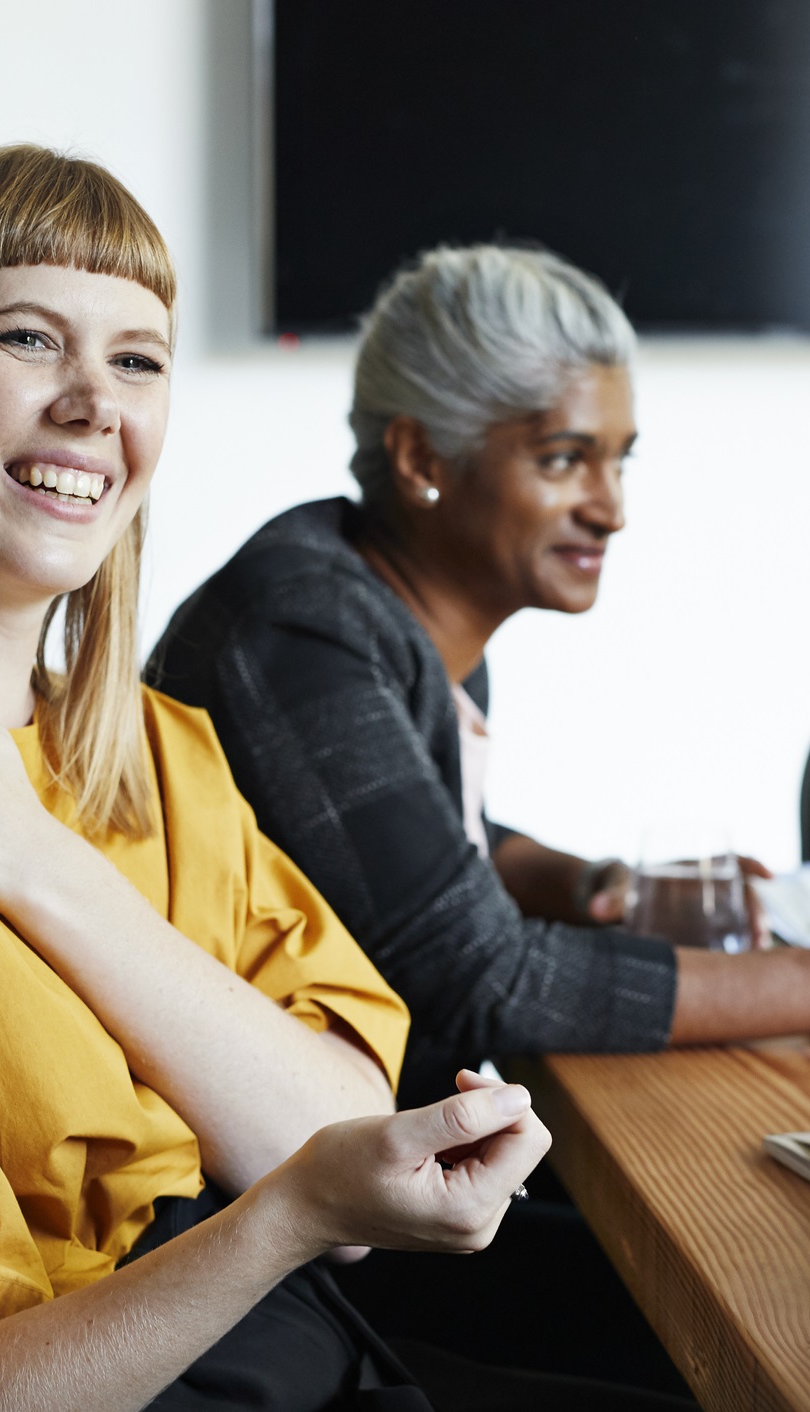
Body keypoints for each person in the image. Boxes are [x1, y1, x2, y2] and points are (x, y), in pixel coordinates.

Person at [0, 148, 708, 1412]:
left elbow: (330, 1123)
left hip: (323, 1357)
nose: (90, 404)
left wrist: (36, 864)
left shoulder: (159, 752)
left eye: (136, 358)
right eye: (25, 337)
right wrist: (285, 1212)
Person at [146, 243, 806, 1112]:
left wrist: (590, 884)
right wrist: (795, 978)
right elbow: (483, 979)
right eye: (564, 459)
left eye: (619, 460)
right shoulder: (301, 630)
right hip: (285, 1216)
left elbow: (436, 852)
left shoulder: (396, 616)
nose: (611, 508)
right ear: (422, 460)